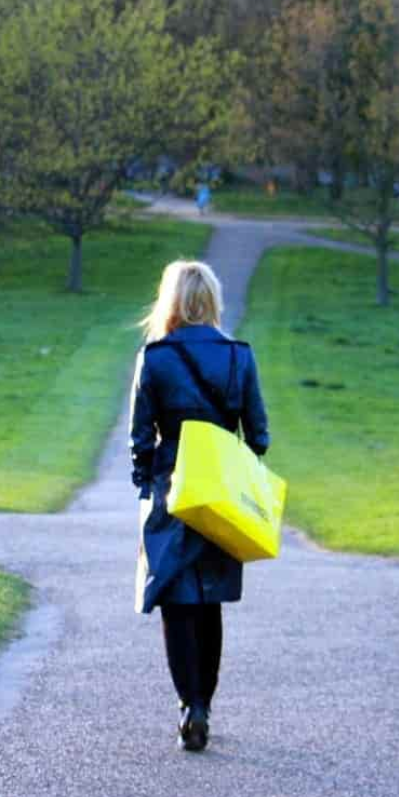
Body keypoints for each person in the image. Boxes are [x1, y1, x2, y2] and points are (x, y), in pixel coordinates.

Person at [129, 260, 270, 752]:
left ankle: (189, 703)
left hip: (172, 488)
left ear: (170, 301)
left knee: (174, 598)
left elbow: (139, 440)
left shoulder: (156, 357)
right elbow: (260, 435)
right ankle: (204, 704)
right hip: (222, 491)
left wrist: (147, 485)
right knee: (209, 600)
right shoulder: (239, 357)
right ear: (211, 300)